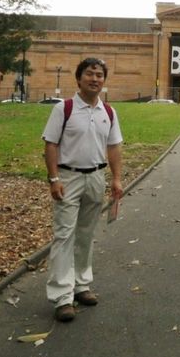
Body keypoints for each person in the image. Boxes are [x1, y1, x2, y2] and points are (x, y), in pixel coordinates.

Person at [42, 57, 123, 322]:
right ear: (78, 79)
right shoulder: (63, 109)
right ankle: (62, 297)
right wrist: (54, 179)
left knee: (86, 234)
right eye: (89, 74)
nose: (95, 79)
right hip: (69, 177)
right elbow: (51, 145)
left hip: (96, 177)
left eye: (99, 75)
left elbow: (114, 147)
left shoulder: (108, 112)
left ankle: (81, 285)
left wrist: (116, 179)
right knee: (64, 234)